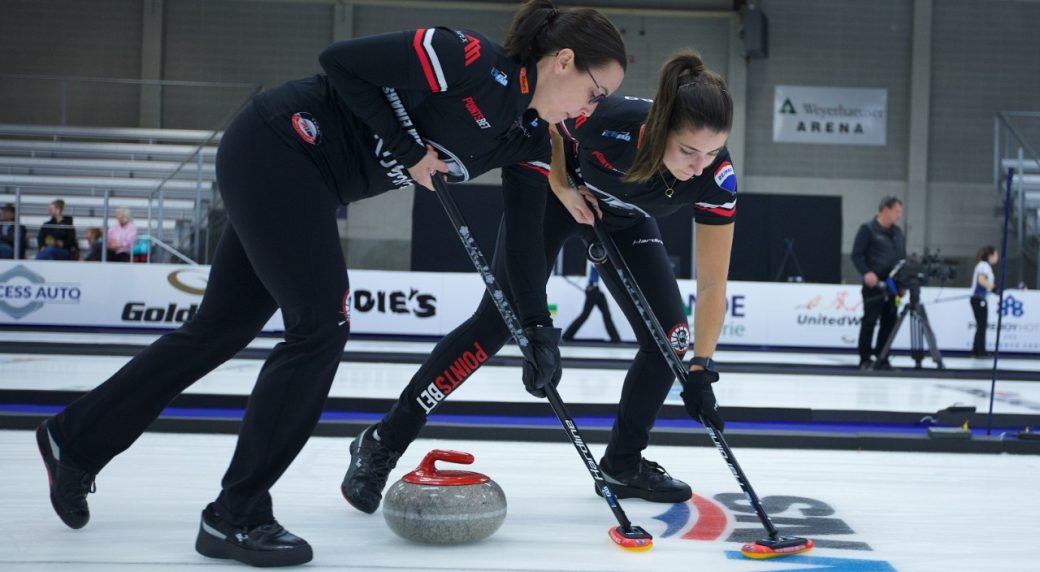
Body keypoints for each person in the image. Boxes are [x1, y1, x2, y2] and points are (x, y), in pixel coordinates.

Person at [33, 1, 626, 567]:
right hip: (279, 144)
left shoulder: (526, 138)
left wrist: (538, 329)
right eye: (594, 92)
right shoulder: (467, 57)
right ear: (564, 60)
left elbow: (523, 242)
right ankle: (236, 513)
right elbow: (341, 60)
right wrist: (408, 148)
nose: (589, 109)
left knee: (220, 328)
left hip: (309, 183)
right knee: (321, 324)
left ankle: (75, 441)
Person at [342, 50, 733, 512]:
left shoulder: (716, 179)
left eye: (712, 152)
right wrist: (565, 184)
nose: (699, 165)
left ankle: (623, 464)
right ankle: (384, 439)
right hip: (554, 200)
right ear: (662, 128)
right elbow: (547, 125)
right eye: (688, 151)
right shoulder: (612, 122)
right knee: (496, 324)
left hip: (624, 220)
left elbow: (711, 285)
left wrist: (702, 366)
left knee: (672, 339)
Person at [850, 196, 906, 369]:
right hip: (874, 286)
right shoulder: (867, 229)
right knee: (869, 321)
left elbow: (902, 258)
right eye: (897, 211)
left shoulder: (897, 233)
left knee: (889, 322)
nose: (899, 216)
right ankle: (865, 358)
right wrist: (866, 273)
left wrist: (902, 284)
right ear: (885, 210)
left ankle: (882, 357)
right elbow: (856, 255)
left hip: (892, 286)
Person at [562, 261, 621, 343]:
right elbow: (597, 264)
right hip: (592, 290)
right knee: (585, 315)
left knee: (606, 314)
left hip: (597, 290)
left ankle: (616, 339)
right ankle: (566, 336)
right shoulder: (594, 260)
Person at [969, 245, 999, 358]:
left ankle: (977, 350)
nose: (997, 257)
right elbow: (981, 280)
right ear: (990, 255)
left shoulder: (985, 266)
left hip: (980, 298)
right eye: (996, 255)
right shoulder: (984, 266)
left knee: (981, 325)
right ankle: (979, 351)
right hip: (978, 299)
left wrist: (992, 288)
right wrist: (993, 287)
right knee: (981, 325)